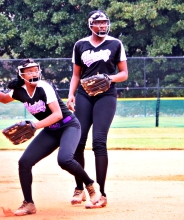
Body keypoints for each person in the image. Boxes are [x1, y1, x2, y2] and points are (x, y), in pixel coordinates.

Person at [0, 58, 101, 216]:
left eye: (35, 70)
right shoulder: (19, 91)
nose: (34, 73)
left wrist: (34, 126)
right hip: (50, 130)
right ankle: (29, 204)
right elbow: (3, 99)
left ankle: (90, 186)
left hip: (68, 126)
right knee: (24, 162)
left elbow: (57, 114)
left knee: (64, 159)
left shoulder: (44, 87)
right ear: (22, 74)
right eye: (29, 71)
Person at [67, 10, 128, 209]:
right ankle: (80, 189)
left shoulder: (115, 44)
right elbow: (76, 74)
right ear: (91, 25)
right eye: (98, 23)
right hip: (85, 94)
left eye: (105, 23)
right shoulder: (80, 45)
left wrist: (109, 78)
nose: (102, 26)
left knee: (99, 142)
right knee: (78, 141)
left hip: (106, 95)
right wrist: (71, 94)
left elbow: (124, 73)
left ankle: (101, 193)